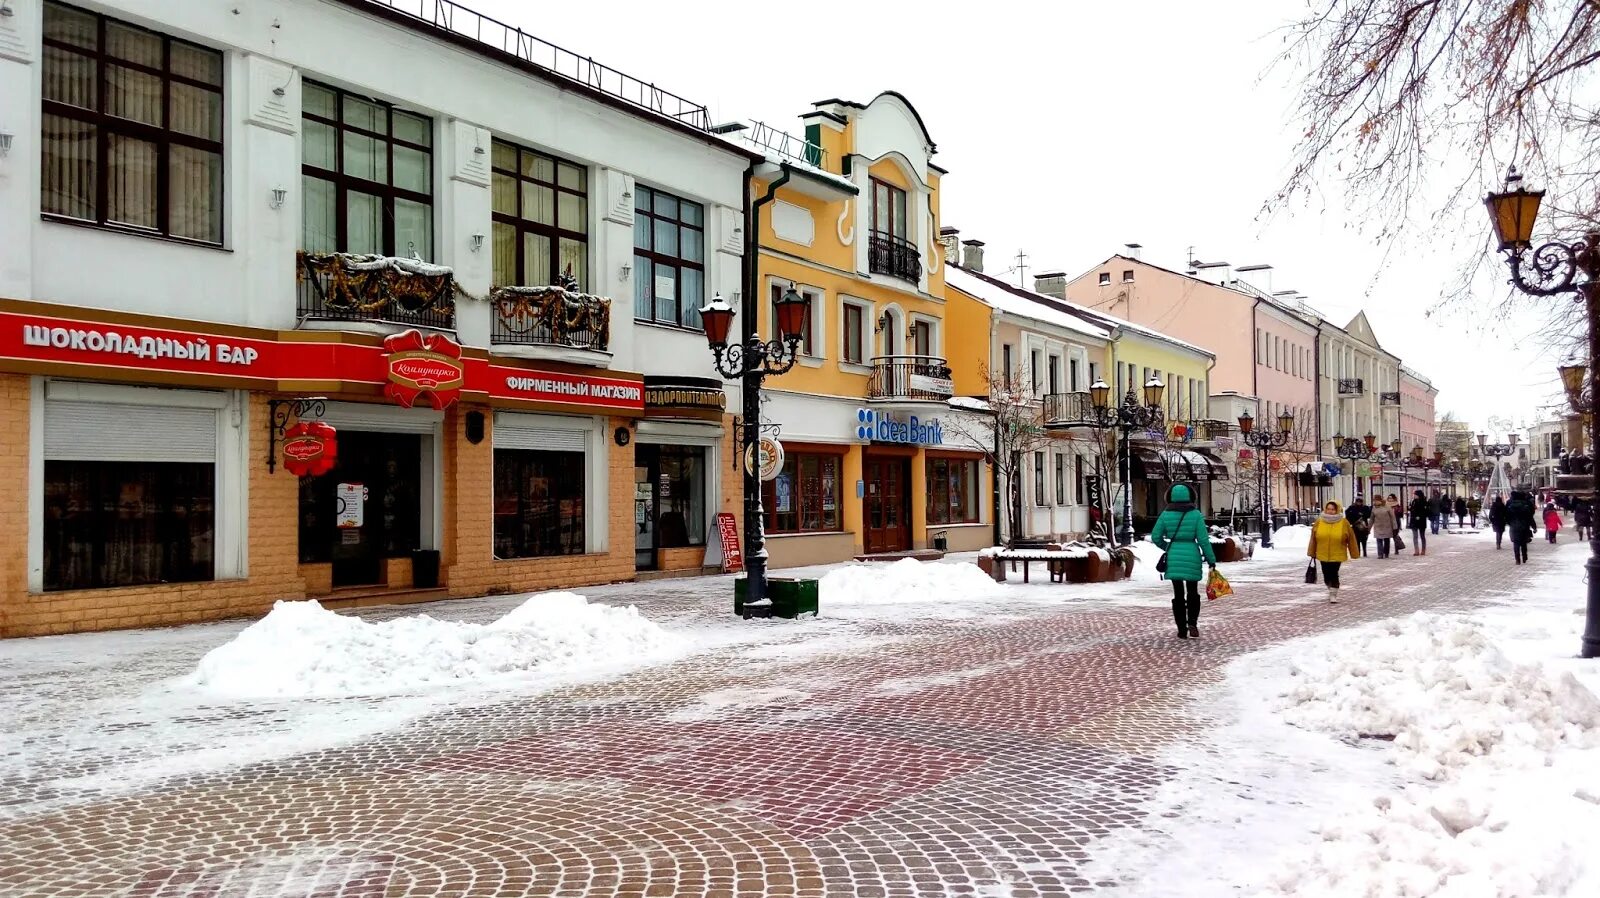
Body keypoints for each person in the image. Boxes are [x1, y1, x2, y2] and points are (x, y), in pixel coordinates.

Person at [1150, 483, 1217, 640]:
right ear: (1191, 496)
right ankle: (1192, 622)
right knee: (1193, 591)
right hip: (1192, 554)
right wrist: (1211, 559)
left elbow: (1155, 537)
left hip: (1173, 555)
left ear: (1170, 496)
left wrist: (1167, 546)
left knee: (1178, 593)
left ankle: (1181, 628)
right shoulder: (1196, 515)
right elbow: (1203, 540)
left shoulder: (1165, 515)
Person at [1308, 500, 1360, 603]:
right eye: (1328, 509)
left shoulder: (1344, 522)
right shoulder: (1319, 521)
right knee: (1326, 574)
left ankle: (1333, 594)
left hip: (1338, 552)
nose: (1330, 511)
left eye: (1333, 509)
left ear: (1337, 510)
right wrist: (1312, 552)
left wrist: (1354, 552)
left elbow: (1351, 538)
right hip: (1322, 552)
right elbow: (1313, 538)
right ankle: (1330, 587)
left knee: (1334, 572)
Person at [1507, 490, 1537, 564]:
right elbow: (1530, 517)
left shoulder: (1511, 505)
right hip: (1524, 526)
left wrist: (1510, 523)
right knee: (1523, 543)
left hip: (1514, 527)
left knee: (1516, 543)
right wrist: (1534, 526)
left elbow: (1507, 516)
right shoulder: (1526, 505)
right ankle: (1524, 556)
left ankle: (1517, 559)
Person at [1370, 494, 1399, 558]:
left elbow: (1393, 517)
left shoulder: (1387, 507)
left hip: (1387, 526)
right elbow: (1372, 519)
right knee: (1379, 540)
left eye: (1376, 500)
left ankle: (1386, 553)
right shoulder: (1374, 508)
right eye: (1374, 500)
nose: (1375, 502)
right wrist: (1369, 528)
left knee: (1386, 540)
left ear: (1380, 500)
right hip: (1378, 526)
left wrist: (1395, 527)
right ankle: (1380, 554)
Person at [1409, 490, 1431, 556]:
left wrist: (1420, 516)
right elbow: (1412, 510)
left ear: (1419, 495)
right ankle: (1416, 550)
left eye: (1415, 494)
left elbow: (1426, 512)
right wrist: (1410, 508)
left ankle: (1423, 550)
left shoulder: (1424, 502)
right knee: (1415, 536)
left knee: (1422, 536)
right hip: (1414, 521)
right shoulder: (1413, 502)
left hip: (1421, 521)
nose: (1414, 496)